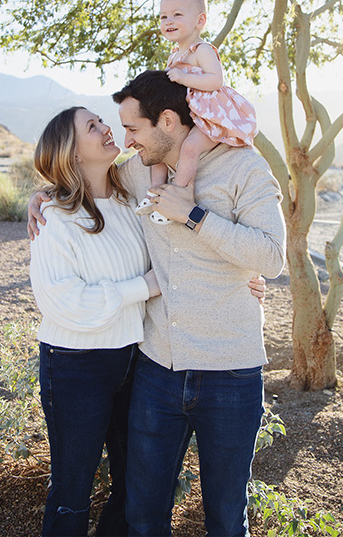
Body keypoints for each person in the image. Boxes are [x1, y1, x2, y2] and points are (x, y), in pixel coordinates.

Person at [30, 70, 285, 536]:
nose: (123, 139)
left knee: (227, 518)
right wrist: (44, 195)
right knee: (142, 513)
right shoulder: (134, 169)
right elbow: (79, 183)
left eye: (132, 128)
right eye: (116, 129)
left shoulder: (244, 167)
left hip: (230, 369)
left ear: (167, 121)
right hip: (154, 370)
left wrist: (192, 216)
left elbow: (270, 257)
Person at [29, 107, 160, 536]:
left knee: (134, 485)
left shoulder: (128, 198)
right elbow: (64, 303)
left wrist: (243, 278)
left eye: (102, 120)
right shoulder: (55, 219)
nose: (107, 129)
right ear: (72, 153)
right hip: (76, 366)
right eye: (92, 127)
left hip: (135, 359)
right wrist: (143, 287)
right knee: (72, 493)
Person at [138, 0, 258, 224]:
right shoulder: (174, 54)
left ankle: (180, 194)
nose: (168, 21)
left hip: (211, 115)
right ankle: (155, 193)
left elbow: (215, 80)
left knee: (191, 147)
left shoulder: (202, 50)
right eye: (163, 17)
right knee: (161, 145)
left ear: (200, 20)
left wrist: (183, 78)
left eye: (177, 15)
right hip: (190, 114)